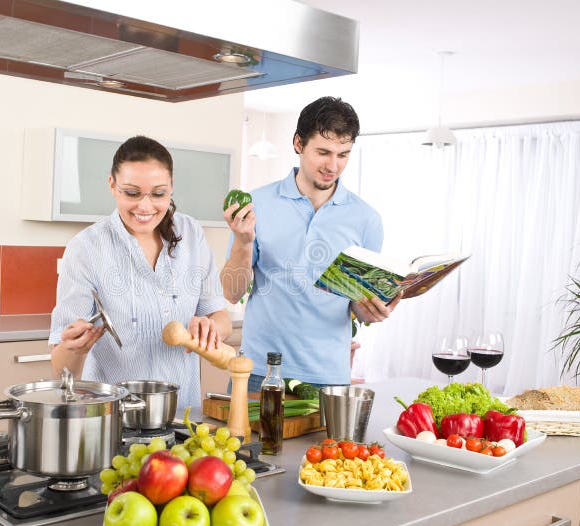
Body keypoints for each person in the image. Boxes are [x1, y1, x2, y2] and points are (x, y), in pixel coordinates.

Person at [221, 97, 400, 392]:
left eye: (343, 154)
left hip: (328, 377)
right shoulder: (257, 204)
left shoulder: (366, 219)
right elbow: (231, 291)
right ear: (298, 144)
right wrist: (243, 241)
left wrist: (372, 311)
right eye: (323, 152)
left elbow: (358, 304)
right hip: (258, 372)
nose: (333, 165)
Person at [49, 135, 231, 412]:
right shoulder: (86, 249)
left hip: (183, 416)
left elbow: (220, 317)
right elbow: (62, 369)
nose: (145, 207)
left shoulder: (191, 234)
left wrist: (211, 328)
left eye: (158, 194)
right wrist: (75, 348)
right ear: (112, 185)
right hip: (112, 419)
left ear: (171, 188)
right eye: (132, 193)